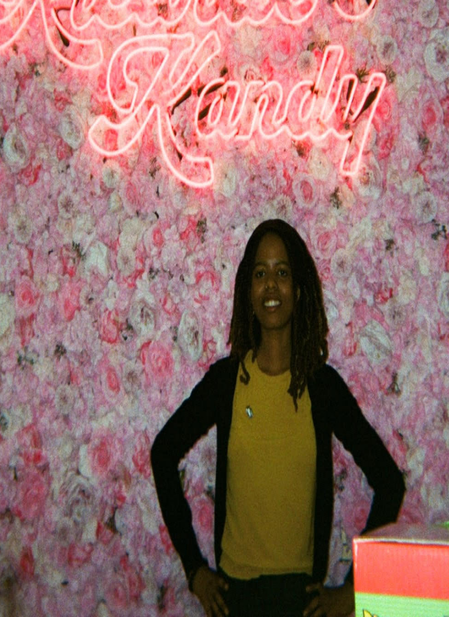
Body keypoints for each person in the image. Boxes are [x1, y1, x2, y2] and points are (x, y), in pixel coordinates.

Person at [151, 219, 405, 617]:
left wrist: (355, 588)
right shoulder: (226, 382)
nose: (271, 285)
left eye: (282, 273)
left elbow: (389, 482)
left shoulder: (322, 387)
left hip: (300, 602)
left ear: (299, 290)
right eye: (260, 274)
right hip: (233, 600)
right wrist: (195, 570)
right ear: (248, 291)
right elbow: (162, 453)